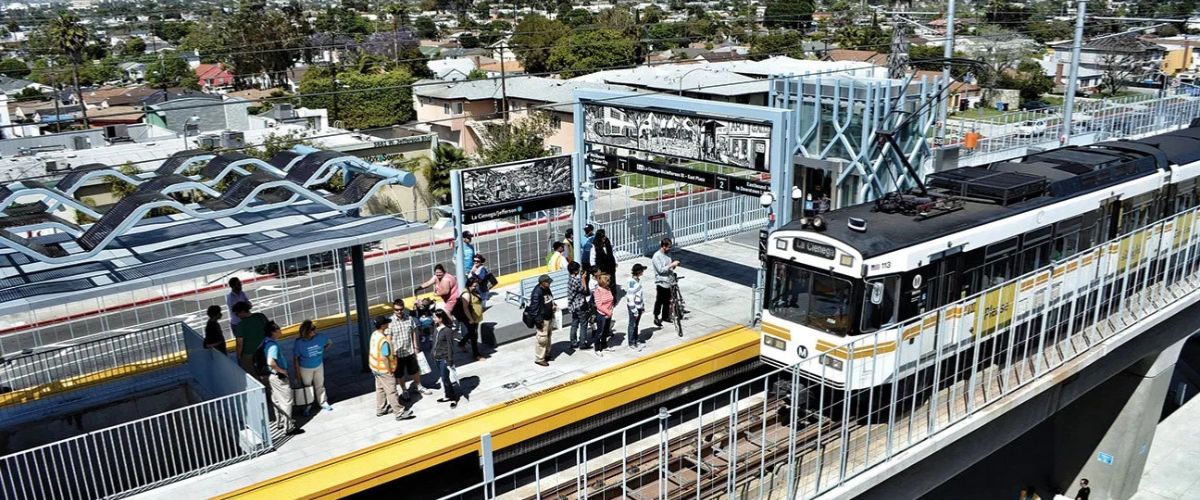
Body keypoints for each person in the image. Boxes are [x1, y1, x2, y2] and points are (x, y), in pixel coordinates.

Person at [369, 316, 415, 421]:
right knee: (391, 391)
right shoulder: (384, 340)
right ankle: (399, 412)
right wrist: (389, 370)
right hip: (384, 369)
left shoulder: (374, 335)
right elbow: (385, 357)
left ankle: (381, 409)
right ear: (382, 325)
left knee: (380, 389)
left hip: (375, 367)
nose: (388, 324)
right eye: (386, 323)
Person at [388, 298, 430, 399]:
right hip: (397, 353)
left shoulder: (409, 319)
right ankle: (404, 390)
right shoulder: (390, 322)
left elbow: (414, 332)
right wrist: (391, 353)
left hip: (410, 350)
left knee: (415, 370)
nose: (399, 311)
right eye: (396, 309)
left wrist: (416, 347)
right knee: (400, 373)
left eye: (401, 309)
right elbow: (388, 339)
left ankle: (418, 386)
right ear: (393, 309)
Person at [292, 320, 333, 416]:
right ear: (306, 331)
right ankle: (307, 405)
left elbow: (330, 342)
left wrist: (322, 351)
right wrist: (297, 373)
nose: (315, 331)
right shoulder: (299, 343)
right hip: (305, 369)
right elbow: (295, 359)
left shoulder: (320, 337)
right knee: (307, 388)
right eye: (312, 329)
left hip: (318, 366)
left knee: (320, 385)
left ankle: (323, 402)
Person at [262, 321, 297, 433]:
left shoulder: (265, 342)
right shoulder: (273, 345)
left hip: (271, 376)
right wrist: (282, 371)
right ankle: (289, 427)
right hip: (278, 376)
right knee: (287, 401)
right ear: (273, 332)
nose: (280, 331)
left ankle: (280, 422)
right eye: (278, 329)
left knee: (276, 400)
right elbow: (270, 361)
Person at [431, 310, 461, 408]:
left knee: (445, 378)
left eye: (435, 317)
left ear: (441, 318)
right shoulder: (436, 327)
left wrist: (450, 360)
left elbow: (450, 346)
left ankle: (453, 398)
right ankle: (447, 395)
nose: (433, 319)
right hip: (437, 357)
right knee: (444, 378)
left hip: (444, 358)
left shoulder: (447, 330)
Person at [232, 301, 269, 375]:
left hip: (249, 353)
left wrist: (239, 357)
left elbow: (239, 345)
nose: (237, 316)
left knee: (250, 371)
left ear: (242, 312)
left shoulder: (241, 325)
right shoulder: (260, 316)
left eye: (237, 313)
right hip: (265, 348)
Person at [652, 238, 681, 328]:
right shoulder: (656, 256)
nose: (669, 249)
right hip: (661, 282)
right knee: (659, 300)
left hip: (669, 281)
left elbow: (669, 267)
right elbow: (660, 270)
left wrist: (674, 266)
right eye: (668, 247)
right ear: (663, 246)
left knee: (667, 300)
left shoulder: (668, 254)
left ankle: (665, 316)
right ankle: (656, 316)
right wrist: (671, 265)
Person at [529, 274, 557, 366]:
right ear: (542, 283)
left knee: (548, 337)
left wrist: (553, 305)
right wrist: (538, 321)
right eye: (548, 282)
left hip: (549, 317)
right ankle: (539, 358)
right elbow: (534, 309)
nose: (549, 284)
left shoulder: (546, 289)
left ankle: (546, 354)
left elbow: (550, 298)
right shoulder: (537, 293)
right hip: (542, 319)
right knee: (542, 339)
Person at [456, 277, 485, 361]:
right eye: (474, 286)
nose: (476, 287)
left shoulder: (473, 291)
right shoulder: (466, 294)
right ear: (469, 285)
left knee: (472, 333)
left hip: (475, 317)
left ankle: (461, 343)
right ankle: (476, 355)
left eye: (476, 286)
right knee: (473, 336)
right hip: (470, 318)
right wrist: (471, 319)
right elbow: (465, 308)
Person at [566, 262, 591, 349]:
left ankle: (573, 342)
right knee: (583, 324)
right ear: (576, 271)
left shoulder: (570, 279)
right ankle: (582, 343)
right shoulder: (576, 281)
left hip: (573, 306)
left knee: (574, 324)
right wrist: (583, 279)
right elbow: (584, 290)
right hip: (580, 305)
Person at [592, 273, 614, 356]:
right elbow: (599, 305)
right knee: (600, 332)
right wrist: (608, 312)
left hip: (608, 314)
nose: (609, 282)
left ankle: (604, 345)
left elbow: (611, 300)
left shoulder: (608, 289)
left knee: (606, 331)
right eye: (607, 281)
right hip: (601, 315)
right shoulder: (597, 291)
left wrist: (611, 310)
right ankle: (597, 348)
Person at [627, 264, 647, 351]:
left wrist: (642, 306)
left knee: (636, 325)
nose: (643, 272)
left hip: (639, 306)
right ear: (639, 272)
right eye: (642, 270)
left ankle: (636, 339)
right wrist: (634, 310)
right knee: (632, 324)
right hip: (634, 307)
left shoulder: (637, 280)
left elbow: (640, 295)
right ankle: (631, 342)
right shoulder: (632, 283)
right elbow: (630, 298)